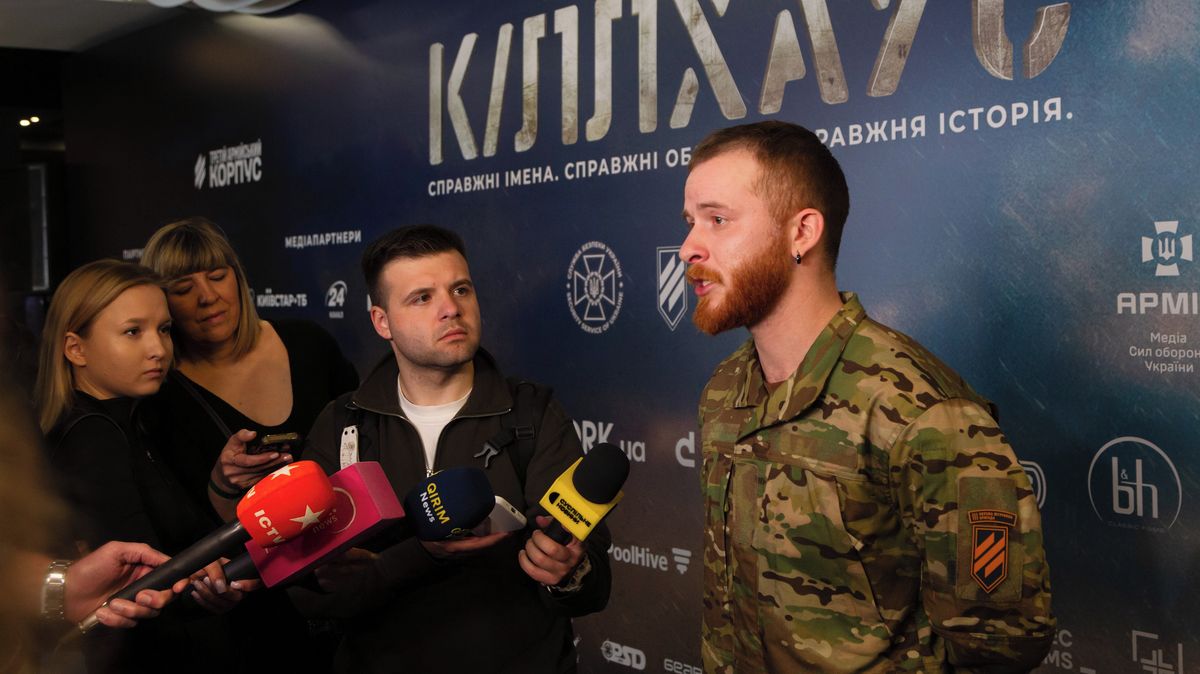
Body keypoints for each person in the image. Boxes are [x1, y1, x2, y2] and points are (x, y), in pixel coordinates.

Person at [678, 121, 1053, 673]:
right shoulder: (725, 389)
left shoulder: (922, 411)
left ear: (801, 232)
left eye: (717, 220)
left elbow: (1000, 641)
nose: (688, 247)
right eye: (690, 222)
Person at [290, 225, 611, 673]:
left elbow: (592, 582)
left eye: (460, 289)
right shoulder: (343, 423)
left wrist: (569, 572)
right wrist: (410, 559)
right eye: (422, 298)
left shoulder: (533, 414)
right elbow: (307, 593)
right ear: (382, 322)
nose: (451, 309)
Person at [140, 217, 359, 672]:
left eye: (218, 276)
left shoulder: (309, 344)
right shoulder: (159, 394)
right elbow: (182, 536)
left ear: (238, 278)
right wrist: (222, 485)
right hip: (253, 621)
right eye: (183, 288)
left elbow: (368, 451)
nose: (207, 296)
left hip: (349, 591)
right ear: (160, 303)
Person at [34, 260, 250, 673]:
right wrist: (210, 581)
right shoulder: (92, 435)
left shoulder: (135, 419)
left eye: (164, 329)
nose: (159, 349)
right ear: (76, 349)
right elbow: (144, 585)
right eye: (133, 332)